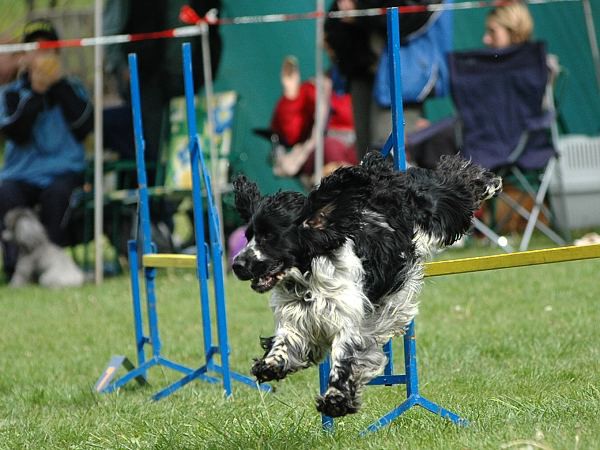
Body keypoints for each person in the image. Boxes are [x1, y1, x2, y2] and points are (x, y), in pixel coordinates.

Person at [0, 19, 93, 281]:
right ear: (24, 55)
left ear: (57, 53)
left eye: (47, 48)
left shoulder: (72, 88)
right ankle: (14, 265)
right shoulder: (11, 94)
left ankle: (53, 267)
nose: (41, 54)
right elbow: (16, 133)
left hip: (63, 172)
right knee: (5, 193)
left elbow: (84, 126)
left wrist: (57, 86)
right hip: (21, 174)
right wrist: (37, 91)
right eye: (35, 48)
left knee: (58, 195)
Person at [324, 0, 450, 160]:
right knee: (367, 157)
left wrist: (361, 11)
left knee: (391, 156)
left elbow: (412, 14)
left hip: (404, 70)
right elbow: (336, 18)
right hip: (362, 67)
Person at [270, 56, 358, 185]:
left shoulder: (368, 89)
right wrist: (291, 93)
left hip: (354, 152)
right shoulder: (315, 89)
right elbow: (291, 134)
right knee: (330, 147)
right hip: (320, 152)